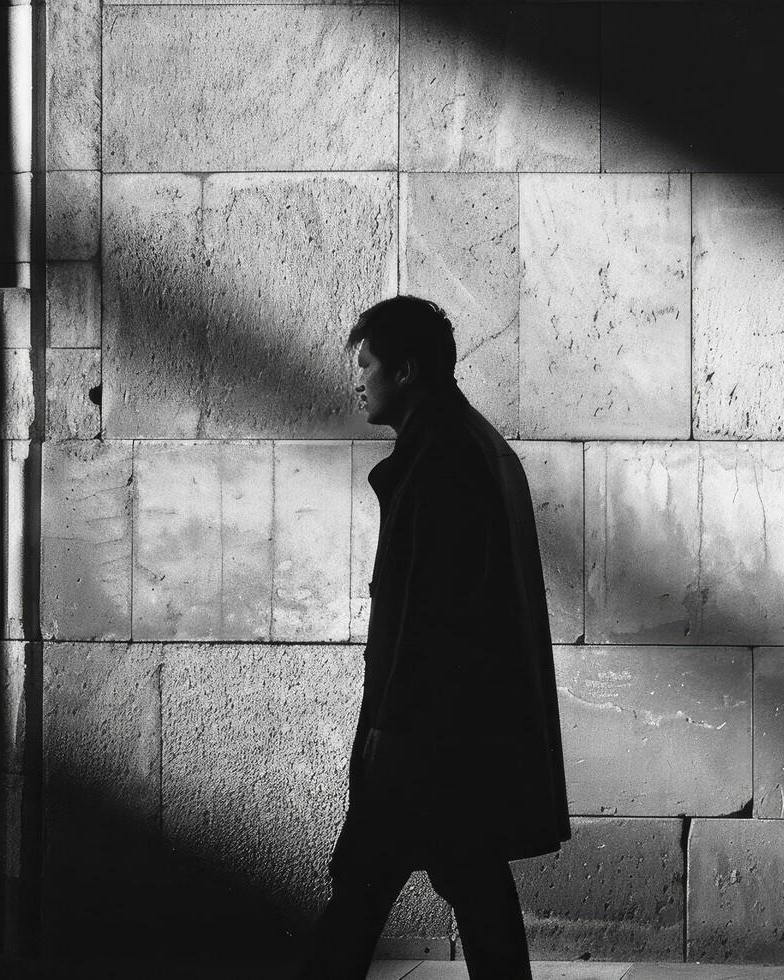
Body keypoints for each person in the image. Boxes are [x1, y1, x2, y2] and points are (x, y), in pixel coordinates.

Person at [299, 296, 571, 979]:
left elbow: (433, 614)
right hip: (451, 739)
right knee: (469, 881)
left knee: (362, 890)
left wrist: (390, 730)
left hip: (425, 739)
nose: (356, 381)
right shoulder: (463, 444)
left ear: (407, 370)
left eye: (366, 365)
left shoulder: (443, 457)